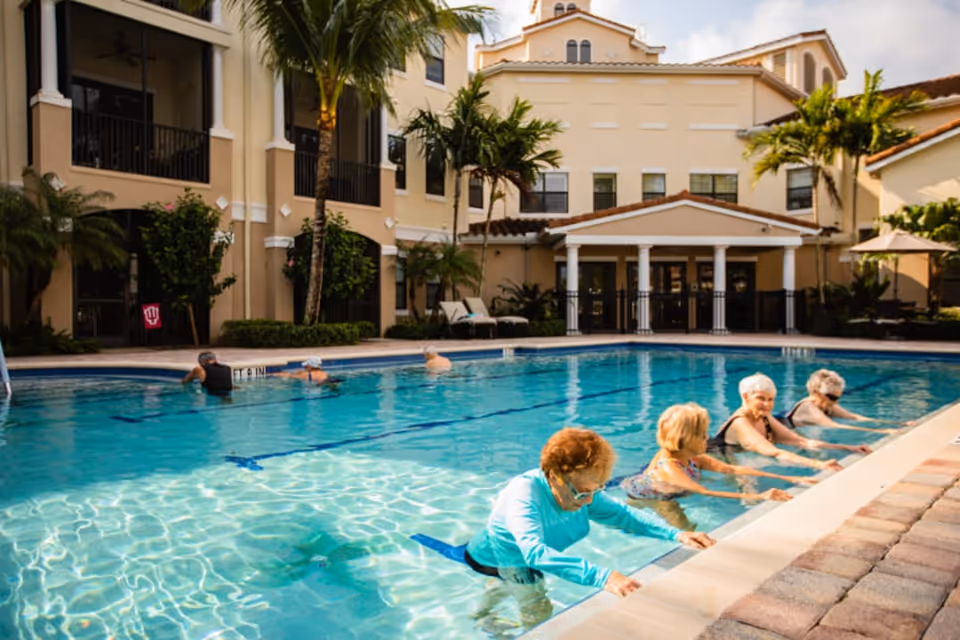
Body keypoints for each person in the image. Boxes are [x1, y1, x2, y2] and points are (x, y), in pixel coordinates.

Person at [465, 427, 715, 631]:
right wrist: (603, 577)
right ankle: (486, 618)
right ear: (554, 477)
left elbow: (623, 515)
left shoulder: (583, 488)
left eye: (595, 490)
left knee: (504, 588)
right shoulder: (523, 494)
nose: (588, 501)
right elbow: (536, 553)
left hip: (522, 556)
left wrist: (676, 533)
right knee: (539, 611)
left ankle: (481, 615)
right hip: (498, 558)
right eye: (582, 492)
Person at [621, 403, 816, 530]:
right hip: (656, 496)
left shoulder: (693, 456)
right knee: (686, 530)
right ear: (686, 439)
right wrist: (759, 496)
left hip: (673, 487)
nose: (708, 437)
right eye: (702, 434)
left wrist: (789, 478)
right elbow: (705, 492)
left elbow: (731, 469)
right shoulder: (669, 468)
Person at [710, 373, 872, 472]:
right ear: (745, 397)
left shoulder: (764, 416)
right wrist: (817, 464)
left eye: (770, 399)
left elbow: (800, 441)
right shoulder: (740, 423)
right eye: (760, 398)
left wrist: (848, 448)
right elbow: (774, 452)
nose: (767, 404)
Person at [785, 369, 915, 434]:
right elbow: (833, 425)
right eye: (831, 397)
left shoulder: (826, 403)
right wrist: (882, 431)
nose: (835, 402)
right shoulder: (808, 406)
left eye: (837, 398)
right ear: (816, 392)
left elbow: (855, 417)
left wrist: (899, 423)